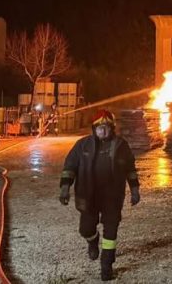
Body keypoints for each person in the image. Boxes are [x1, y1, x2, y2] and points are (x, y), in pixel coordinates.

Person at [58, 109, 140, 281]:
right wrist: (65, 187)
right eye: (99, 128)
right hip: (89, 196)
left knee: (111, 231)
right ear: (93, 129)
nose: (102, 131)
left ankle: (107, 265)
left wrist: (134, 190)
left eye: (106, 128)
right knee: (85, 229)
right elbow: (70, 166)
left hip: (112, 196)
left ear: (112, 128)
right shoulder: (83, 145)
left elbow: (130, 169)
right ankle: (92, 241)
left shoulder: (121, 145)